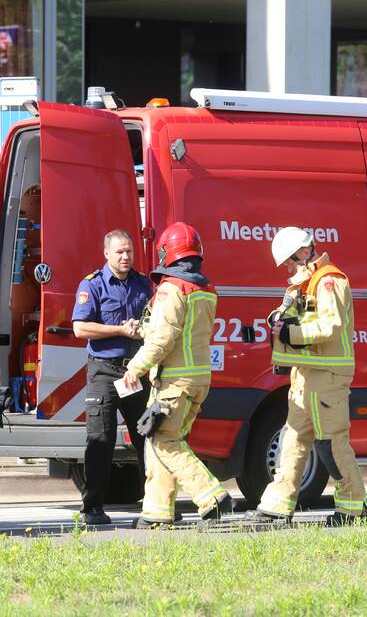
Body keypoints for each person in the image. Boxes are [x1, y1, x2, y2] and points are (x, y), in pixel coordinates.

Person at [246, 226, 367, 526]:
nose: (287, 267)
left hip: (327, 376)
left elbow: (331, 327)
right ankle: (276, 506)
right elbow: (290, 315)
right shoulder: (304, 283)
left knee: (331, 443)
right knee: (292, 439)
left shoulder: (329, 280)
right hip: (305, 375)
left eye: (289, 260)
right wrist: (278, 321)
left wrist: (291, 332)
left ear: (303, 252)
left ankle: (354, 509)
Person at [122, 222, 234, 528]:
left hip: (174, 380)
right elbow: (181, 333)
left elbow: (164, 338)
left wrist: (136, 367)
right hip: (197, 379)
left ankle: (212, 497)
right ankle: (157, 511)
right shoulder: (205, 289)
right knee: (163, 440)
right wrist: (145, 328)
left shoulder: (172, 288)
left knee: (163, 441)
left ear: (166, 254)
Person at [71, 229, 153, 526]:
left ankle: (155, 502)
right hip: (104, 372)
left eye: (129, 251)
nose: (126, 256)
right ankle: (92, 507)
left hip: (134, 372)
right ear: (106, 253)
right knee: (100, 439)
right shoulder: (92, 285)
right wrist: (119, 330)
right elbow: (81, 329)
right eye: (119, 251)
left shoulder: (143, 284)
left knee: (147, 436)